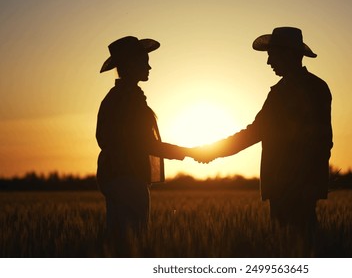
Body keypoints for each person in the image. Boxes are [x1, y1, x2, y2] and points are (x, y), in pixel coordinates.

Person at [193, 27, 333, 256]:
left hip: (290, 185)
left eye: (272, 54)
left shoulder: (291, 92)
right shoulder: (310, 87)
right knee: (301, 247)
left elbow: (256, 132)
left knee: (293, 248)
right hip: (293, 185)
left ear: (288, 54)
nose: (268, 62)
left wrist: (211, 151)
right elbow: (322, 141)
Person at [96, 36, 190, 247]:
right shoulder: (127, 100)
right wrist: (188, 152)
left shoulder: (121, 97)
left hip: (118, 176)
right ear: (130, 64)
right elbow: (144, 143)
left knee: (121, 242)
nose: (149, 66)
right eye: (144, 61)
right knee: (132, 243)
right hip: (128, 178)